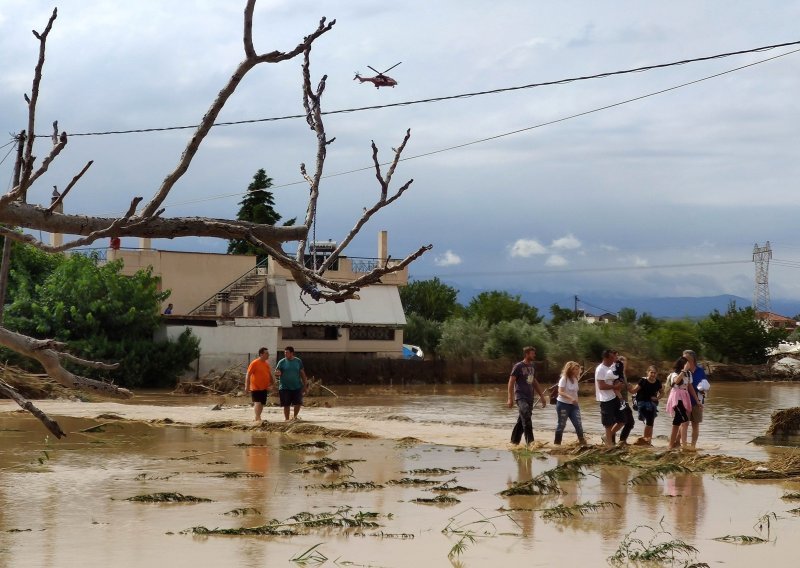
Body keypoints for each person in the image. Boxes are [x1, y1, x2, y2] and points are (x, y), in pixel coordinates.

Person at [507, 346, 546, 446]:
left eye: (534, 353)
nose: (534, 355)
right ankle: (531, 443)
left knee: (523, 419)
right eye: (532, 353)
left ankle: (514, 442)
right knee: (526, 418)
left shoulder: (532, 367)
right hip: (520, 396)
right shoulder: (518, 366)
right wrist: (510, 398)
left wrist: (541, 396)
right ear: (526, 354)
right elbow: (511, 382)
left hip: (530, 397)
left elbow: (534, 381)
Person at [665, 356, 698, 449]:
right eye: (687, 363)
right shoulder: (674, 374)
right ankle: (684, 445)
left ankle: (671, 445)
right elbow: (676, 381)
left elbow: (690, 387)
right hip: (676, 398)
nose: (689, 365)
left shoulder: (688, 374)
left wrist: (697, 400)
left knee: (677, 422)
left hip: (684, 397)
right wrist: (684, 370)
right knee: (685, 421)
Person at [595, 349, 625, 447]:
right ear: (605, 358)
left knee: (622, 420)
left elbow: (618, 378)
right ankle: (609, 445)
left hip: (615, 396)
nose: (614, 359)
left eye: (614, 357)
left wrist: (620, 384)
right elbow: (601, 386)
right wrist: (614, 387)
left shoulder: (613, 367)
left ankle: (606, 437)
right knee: (608, 424)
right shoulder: (600, 369)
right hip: (605, 399)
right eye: (611, 357)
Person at [554, 361, 587, 446]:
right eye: (575, 369)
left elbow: (575, 392)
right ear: (570, 370)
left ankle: (582, 443)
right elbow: (560, 392)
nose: (577, 371)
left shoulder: (576, 378)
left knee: (578, 424)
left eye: (578, 369)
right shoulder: (564, 379)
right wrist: (571, 398)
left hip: (574, 406)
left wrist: (574, 400)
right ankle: (557, 444)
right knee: (561, 425)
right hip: (563, 404)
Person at [628, 365, 663, 445]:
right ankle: (645, 440)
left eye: (655, 373)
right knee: (649, 422)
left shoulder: (657, 382)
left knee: (651, 422)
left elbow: (662, 392)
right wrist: (628, 387)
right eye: (651, 373)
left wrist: (657, 398)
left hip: (653, 404)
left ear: (657, 374)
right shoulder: (643, 381)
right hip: (642, 403)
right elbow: (634, 391)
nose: (653, 375)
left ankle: (648, 441)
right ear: (647, 372)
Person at [275, 346, 308, 421]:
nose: (285, 354)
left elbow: (302, 373)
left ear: (292, 353)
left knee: (298, 403)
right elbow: (276, 373)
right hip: (284, 387)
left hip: (297, 386)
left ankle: (295, 417)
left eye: (287, 352)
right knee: (286, 404)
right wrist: (277, 373)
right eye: (285, 353)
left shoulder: (298, 361)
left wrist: (305, 386)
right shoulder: (281, 362)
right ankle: (287, 419)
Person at [682, 349, 707, 448]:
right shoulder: (682, 370)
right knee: (684, 424)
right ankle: (683, 445)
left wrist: (703, 392)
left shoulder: (700, 370)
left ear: (692, 358)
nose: (683, 359)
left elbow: (705, 384)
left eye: (685, 358)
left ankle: (693, 446)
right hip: (684, 400)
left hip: (698, 401)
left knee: (695, 425)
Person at [613, 354, 636, 444]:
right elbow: (615, 388)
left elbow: (631, 390)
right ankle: (612, 440)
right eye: (621, 363)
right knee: (619, 421)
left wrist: (630, 386)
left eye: (624, 363)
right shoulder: (616, 374)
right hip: (618, 401)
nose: (623, 365)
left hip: (624, 401)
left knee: (629, 422)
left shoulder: (623, 374)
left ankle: (622, 441)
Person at [245, 347, 272, 421]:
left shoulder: (266, 364)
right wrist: (246, 386)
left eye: (268, 353)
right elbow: (248, 374)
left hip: (264, 387)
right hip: (255, 387)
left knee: (262, 403)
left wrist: (273, 384)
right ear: (261, 354)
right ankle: (257, 417)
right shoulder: (254, 363)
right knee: (257, 403)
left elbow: (269, 374)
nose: (268, 355)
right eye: (266, 353)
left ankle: (258, 417)